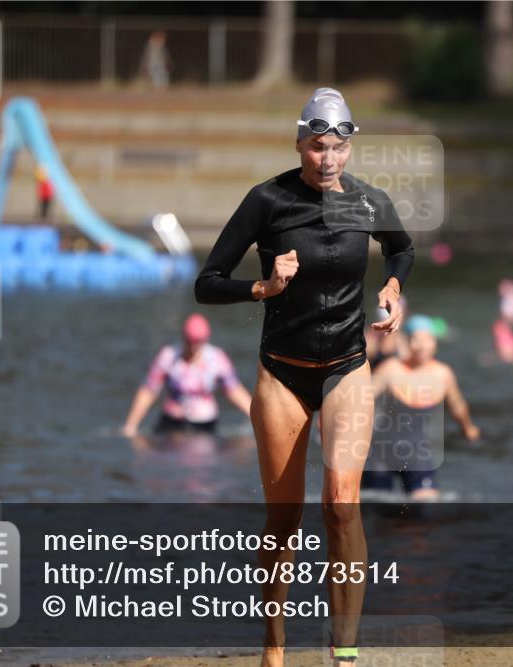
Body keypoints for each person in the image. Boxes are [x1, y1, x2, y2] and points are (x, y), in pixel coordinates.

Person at [193, 87, 414, 667]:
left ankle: (344, 653)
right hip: (282, 375)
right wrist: (261, 287)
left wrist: (393, 286)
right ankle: (274, 647)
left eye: (338, 147)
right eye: (317, 147)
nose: (328, 159)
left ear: (349, 148)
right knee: (283, 517)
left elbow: (402, 249)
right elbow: (207, 282)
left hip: (346, 368)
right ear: (299, 145)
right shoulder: (268, 200)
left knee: (341, 504)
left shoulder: (369, 202)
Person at [362, 315, 480, 501]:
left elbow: (457, 405)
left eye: (428, 339)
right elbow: (360, 398)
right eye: (416, 339)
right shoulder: (390, 369)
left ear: (435, 342)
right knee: (376, 509)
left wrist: (468, 428)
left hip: (418, 453)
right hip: (381, 454)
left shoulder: (443, 374)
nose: (422, 345)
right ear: (407, 342)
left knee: (425, 511)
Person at [121, 313, 251, 437]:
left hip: (205, 423)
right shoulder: (168, 356)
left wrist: (257, 417)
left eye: (198, 342)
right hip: (173, 421)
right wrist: (131, 425)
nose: (194, 348)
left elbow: (234, 390)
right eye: (190, 342)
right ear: (184, 337)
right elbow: (148, 391)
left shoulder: (217, 358)